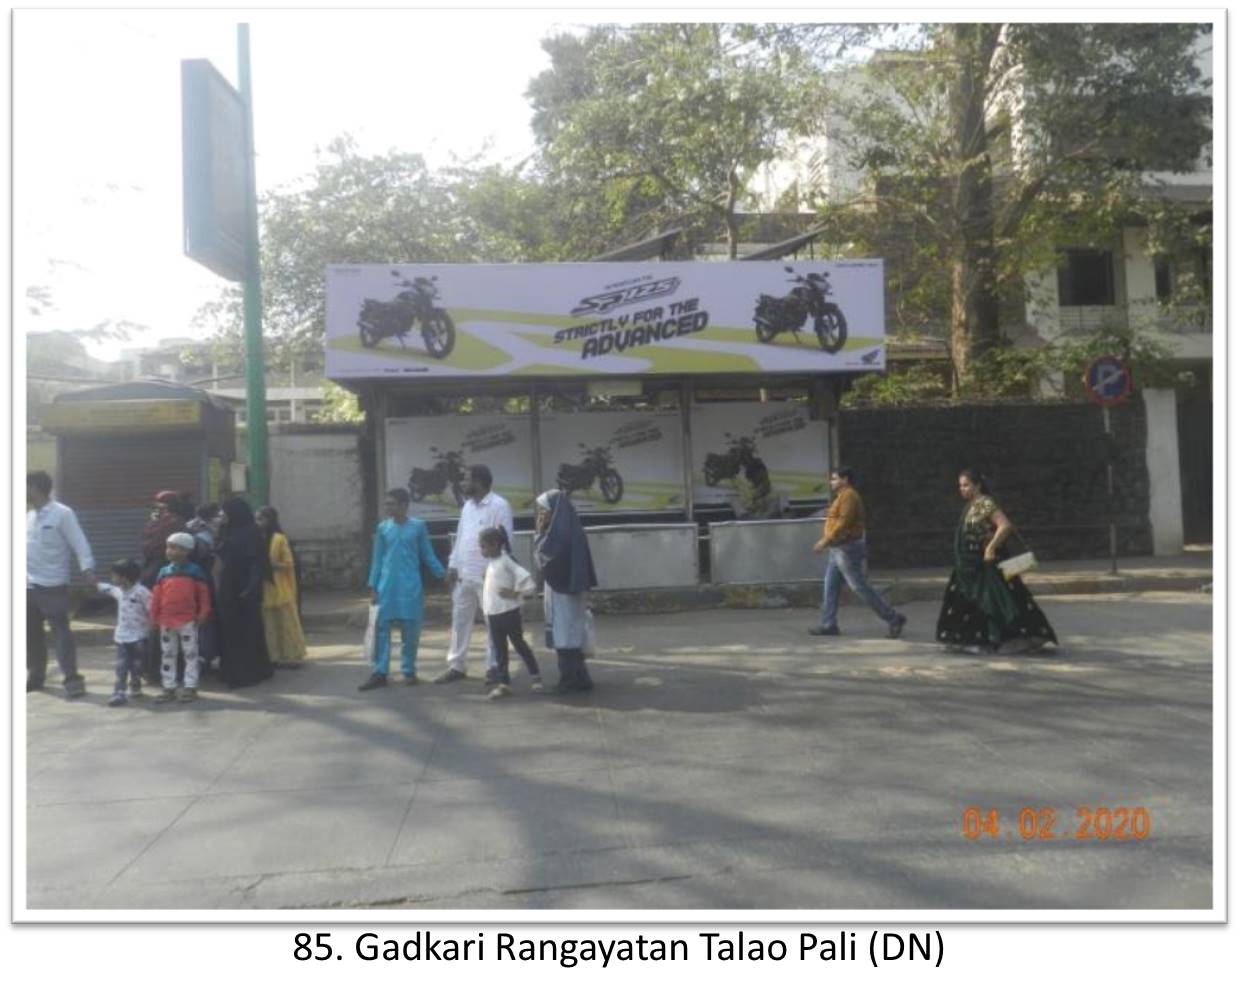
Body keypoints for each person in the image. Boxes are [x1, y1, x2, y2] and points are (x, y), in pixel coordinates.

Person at [935, 469, 1059, 654]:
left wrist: (991, 547)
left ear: (977, 485)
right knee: (970, 602)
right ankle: (972, 639)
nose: (962, 489)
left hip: (984, 564)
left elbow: (1005, 525)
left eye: (966, 485)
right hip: (968, 566)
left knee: (995, 602)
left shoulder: (985, 503)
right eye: (960, 486)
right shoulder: (972, 505)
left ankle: (1010, 639)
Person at [433, 465, 514, 684]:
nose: (463, 483)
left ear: (478, 481)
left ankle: (494, 667)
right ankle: (457, 666)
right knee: (460, 621)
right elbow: (460, 538)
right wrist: (452, 565)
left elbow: (506, 542)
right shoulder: (467, 506)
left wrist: (498, 572)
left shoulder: (499, 505)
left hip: (489, 577)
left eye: (466, 479)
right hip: (464, 575)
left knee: (493, 624)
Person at [359, 488, 445, 691]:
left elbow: (427, 555)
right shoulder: (383, 528)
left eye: (392, 503)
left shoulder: (418, 527)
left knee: (411, 631)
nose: (387, 507)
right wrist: (373, 586)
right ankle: (380, 672)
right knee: (382, 631)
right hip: (386, 587)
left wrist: (443, 574)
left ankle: (409, 670)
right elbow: (377, 559)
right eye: (386, 503)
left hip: (410, 587)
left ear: (404, 505)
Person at [810, 467, 907, 638]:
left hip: (846, 549)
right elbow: (838, 518)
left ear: (845, 480)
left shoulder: (849, 496)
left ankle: (893, 618)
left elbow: (844, 523)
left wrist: (824, 541)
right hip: (838, 548)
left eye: (834, 478)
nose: (831, 482)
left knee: (860, 587)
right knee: (830, 587)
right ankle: (828, 623)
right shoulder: (842, 497)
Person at [26, 471, 96, 696]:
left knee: (61, 633)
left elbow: (79, 542)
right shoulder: (28, 517)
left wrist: (87, 569)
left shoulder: (62, 514)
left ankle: (72, 679)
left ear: (35, 488)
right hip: (27, 586)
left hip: (53, 585)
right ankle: (36, 676)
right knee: (30, 634)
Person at [534, 489, 596, 693]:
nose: (541, 514)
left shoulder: (557, 534)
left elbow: (543, 558)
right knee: (573, 633)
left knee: (565, 634)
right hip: (570, 588)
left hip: (562, 591)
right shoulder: (571, 529)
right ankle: (581, 677)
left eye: (544, 510)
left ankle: (569, 680)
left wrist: (539, 533)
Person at [214, 497, 274, 689]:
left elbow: (257, 563)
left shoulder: (251, 532)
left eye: (225, 511)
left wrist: (250, 588)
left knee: (247, 630)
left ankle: (249, 672)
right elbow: (220, 552)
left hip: (245, 588)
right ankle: (230, 670)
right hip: (227, 587)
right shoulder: (226, 530)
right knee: (229, 629)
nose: (222, 515)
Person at [149, 533, 212, 703]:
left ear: (186, 551)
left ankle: (190, 687)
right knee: (168, 653)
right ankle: (168, 687)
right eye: (168, 547)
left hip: (188, 620)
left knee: (190, 653)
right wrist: (154, 617)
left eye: (173, 547)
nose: (168, 551)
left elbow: (204, 596)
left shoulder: (195, 572)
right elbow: (156, 597)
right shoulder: (164, 572)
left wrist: (203, 613)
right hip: (166, 620)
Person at [480, 525, 542, 700]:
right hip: (493, 614)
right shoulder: (492, 564)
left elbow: (529, 582)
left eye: (483, 546)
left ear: (495, 544)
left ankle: (535, 676)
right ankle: (504, 683)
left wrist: (515, 593)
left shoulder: (507, 561)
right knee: (500, 649)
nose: (481, 550)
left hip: (509, 613)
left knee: (518, 643)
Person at [256, 506, 307, 669]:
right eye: (256, 519)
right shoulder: (255, 537)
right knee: (269, 625)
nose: (258, 522)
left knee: (285, 622)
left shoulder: (279, 539)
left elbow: (289, 563)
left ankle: (292, 656)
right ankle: (273, 657)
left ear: (270, 520)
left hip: (279, 586)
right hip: (263, 587)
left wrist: (273, 564)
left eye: (261, 519)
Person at [96, 558, 152, 706]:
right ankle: (119, 692)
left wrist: (155, 625)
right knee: (121, 665)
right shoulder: (118, 591)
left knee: (137, 664)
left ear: (125, 577)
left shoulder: (142, 592)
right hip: (122, 637)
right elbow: (106, 587)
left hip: (139, 636)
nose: (113, 579)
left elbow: (152, 610)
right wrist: (93, 581)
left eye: (115, 576)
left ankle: (135, 682)